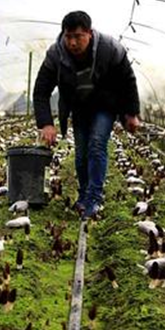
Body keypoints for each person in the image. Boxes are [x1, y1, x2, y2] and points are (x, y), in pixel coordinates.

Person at [33, 11, 140, 219]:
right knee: (81, 153)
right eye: (68, 36)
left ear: (89, 33)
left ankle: (95, 198)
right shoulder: (56, 55)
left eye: (78, 36)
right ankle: (84, 195)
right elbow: (41, 90)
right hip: (79, 107)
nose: (72, 42)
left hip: (105, 106)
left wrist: (131, 113)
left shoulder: (110, 49)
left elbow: (127, 80)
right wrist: (46, 123)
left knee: (97, 144)